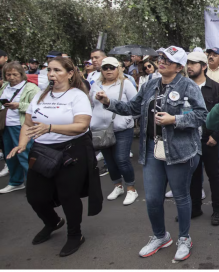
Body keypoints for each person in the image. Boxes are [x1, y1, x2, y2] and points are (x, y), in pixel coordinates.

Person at [95, 46, 206, 262]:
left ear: (179, 66)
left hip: (179, 151)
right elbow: (131, 108)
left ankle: (184, 238)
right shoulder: (150, 85)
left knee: (182, 197)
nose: (162, 61)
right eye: (161, 57)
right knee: (153, 199)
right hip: (152, 150)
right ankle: (160, 236)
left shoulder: (188, 86)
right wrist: (108, 102)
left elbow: (201, 115)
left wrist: (175, 120)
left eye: (168, 59)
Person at [6, 57, 101, 257]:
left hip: (71, 151)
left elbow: (81, 126)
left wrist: (50, 127)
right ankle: (52, 222)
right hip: (42, 151)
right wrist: (22, 144)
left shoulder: (77, 96)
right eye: (49, 70)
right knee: (35, 196)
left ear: (70, 74)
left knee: (68, 196)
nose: (51, 74)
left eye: (57, 70)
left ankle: (75, 235)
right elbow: (28, 124)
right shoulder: (41, 95)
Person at [89, 57, 139, 205]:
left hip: (121, 128)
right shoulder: (96, 85)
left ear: (118, 68)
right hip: (101, 129)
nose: (109, 70)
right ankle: (118, 186)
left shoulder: (126, 84)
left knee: (122, 159)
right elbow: (91, 105)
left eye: (112, 67)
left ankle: (131, 188)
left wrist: (128, 120)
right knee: (109, 161)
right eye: (105, 68)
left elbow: (135, 105)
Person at [184, 52, 219, 226]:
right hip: (188, 140)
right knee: (192, 176)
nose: (190, 66)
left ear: (203, 66)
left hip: (209, 140)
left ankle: (217, 209)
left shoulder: (215, 88)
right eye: (188, 63)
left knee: (214, 176)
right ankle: (195, 208)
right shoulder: (182, 87)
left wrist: (216, 136)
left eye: (194, 63)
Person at [0, 62, 40, 188]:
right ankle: (15, 181)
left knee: (24, 154)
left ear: (21, 74)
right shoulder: (5, 86)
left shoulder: (31, 88)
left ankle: (34, 184)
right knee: (10, 155)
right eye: (8, 74)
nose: (11, 77)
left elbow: (38, 107)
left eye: (15, 74)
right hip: (6, 125)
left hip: (21, 125)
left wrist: (19, 105)